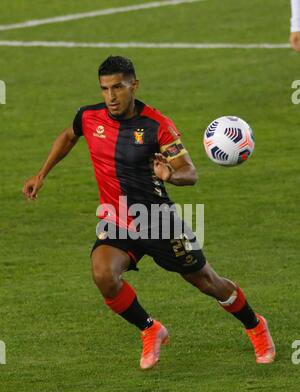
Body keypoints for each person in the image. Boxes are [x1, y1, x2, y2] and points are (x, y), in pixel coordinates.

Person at [23, 56, 276, 370]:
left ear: (134, 85)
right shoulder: (89, 117)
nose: (111, 96)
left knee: (207, 281)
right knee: (103, 274)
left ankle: (254, 325)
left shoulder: (157, 125)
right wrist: (42, 173)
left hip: (158, 221)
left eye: (118, 87)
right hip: (117, 219)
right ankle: (150, 329)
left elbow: (190, 172)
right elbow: (68, 136)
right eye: (105, 89)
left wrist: (171, 176)